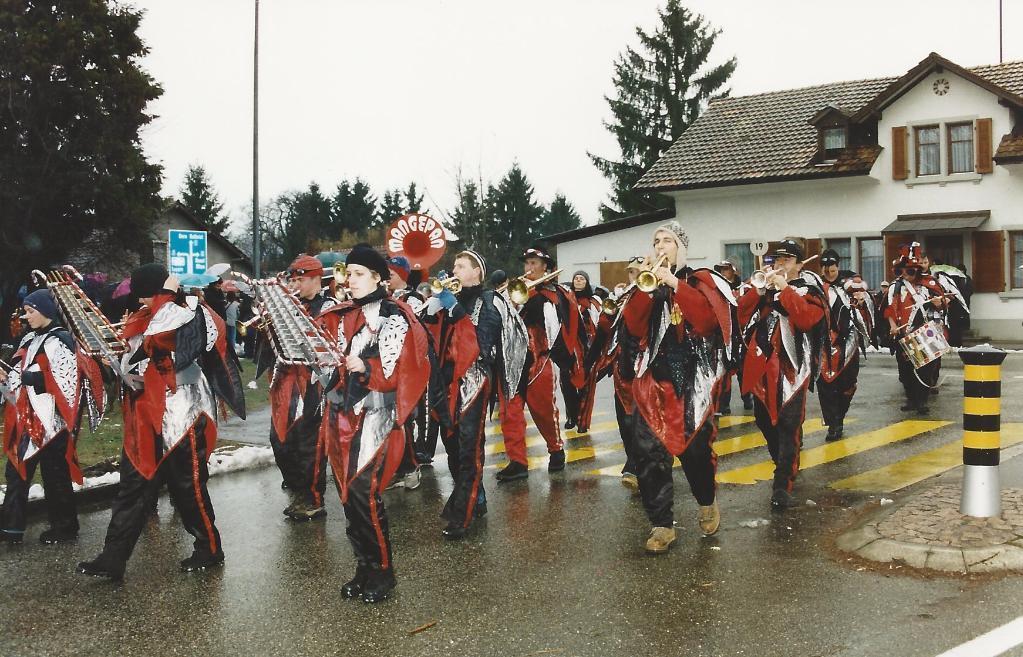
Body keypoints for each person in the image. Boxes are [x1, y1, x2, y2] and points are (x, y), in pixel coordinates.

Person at [77, 264, 245, 580]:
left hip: (183, 410)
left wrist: (165, 305)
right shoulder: (141, 317)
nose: (139, 301)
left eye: (144, 295)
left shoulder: (190, 312)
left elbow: (179, 347)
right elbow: (134, 359)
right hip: (145, 411)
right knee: (133, 485)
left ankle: (209, 548)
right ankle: (113, 558)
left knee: (187, 486)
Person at [618, 222, 739, 553]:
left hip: (691, 382)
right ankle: (662, 525)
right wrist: (647, 288)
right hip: (652, 381)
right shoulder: (647, 284)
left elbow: (707, 321)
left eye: (667, 241)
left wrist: (673, 283)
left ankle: (706, 499)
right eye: (656, 241)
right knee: (648, 455)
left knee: (695, 452)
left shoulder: (699, 281)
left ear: (680, 248)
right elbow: (633, 326)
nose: (660, 246)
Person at [317, 245, 429, 603]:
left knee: (364, 494)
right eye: (348, 273)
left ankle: (383, 570)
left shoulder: (394, 315)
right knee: (348, 496)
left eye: (359, 274)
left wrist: (366, 367)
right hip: (342, 414)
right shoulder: (341, 313)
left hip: (376, 416)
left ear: (378, 277)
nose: (350, 280)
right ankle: (364, 567)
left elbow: (400, 369)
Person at [421, 250, 526, 539]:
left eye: (461, 266)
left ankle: (462, 516)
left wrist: (455, 310)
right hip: (446, 382)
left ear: (477, 272)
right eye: (454, 265)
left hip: (474, 381)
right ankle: (475, 498)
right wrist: (431, 309)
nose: (454, 270)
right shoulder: (448, 298)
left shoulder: (490, 301)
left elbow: (481, 344)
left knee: (469, 449)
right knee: (452, 447)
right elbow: (427, 338)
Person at [0, 290, 97, 544]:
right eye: (25, 311)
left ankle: (65, 528)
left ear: (45, 311)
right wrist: (7, 376)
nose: (26, 316)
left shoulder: (61, 340)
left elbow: (68, 381)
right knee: (16, 470)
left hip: (52, 420)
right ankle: (11, 528)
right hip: (26, 415)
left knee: (55, 474)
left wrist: (32, 378)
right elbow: (18, 372)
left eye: (31, 311)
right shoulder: (28, 338)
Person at [739, 239, 826, 509]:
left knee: (789, 424)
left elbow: (805, 319)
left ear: (799, 265)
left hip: (792, 368)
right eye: (777, 260)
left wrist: (785, 289)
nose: (780, 264)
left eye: (787, 260)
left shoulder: (809, 290)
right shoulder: (764, 290)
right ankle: (783, 463)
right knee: (764, 420)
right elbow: (739, 314)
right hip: (762, 366)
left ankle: (782, 484)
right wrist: (758, 290)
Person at [495, 245, 585, 481]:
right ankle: (517, 462)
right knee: (510, 413)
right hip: (512, 361)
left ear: (546, 267)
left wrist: (530, 297)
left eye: (534, 263)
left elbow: (554, 327)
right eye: (527, 263)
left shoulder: (553, 294)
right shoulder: (515, 291)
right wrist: (509, 301)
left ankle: (556, 449)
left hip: (539, 360)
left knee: (544, 411)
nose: (529, 267)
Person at [256, 255, 331, 520]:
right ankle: (299, 487)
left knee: (308, 442)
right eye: (293, 280)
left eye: (301, 280)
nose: (295, 285)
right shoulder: (288, 305)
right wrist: (267, 326)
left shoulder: (329, 307)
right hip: (286, 380)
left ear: (316, 279)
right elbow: (272, 347)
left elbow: (327, 346)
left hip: (313, 382)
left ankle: (313, 498)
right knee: (279, 440)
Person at [816, 250, 872, 441]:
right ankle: (833, 424)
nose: (828, 272)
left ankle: (840, 416)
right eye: (825, 268)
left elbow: (864, 306)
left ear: (838, 266)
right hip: (823, 342)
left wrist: (861, 301)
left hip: (848, 342)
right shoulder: (816, 286)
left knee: (847, 384)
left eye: (832, 268)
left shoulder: (850, 282)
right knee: (825, 385)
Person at [884, 244, 945, 414]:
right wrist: (893, 326)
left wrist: (938, 304)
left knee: (924, 370)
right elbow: (889, 309)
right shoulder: (896, 287)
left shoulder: (928, 284)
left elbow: (942, 305)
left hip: (923, 333)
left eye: (910, 271)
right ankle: (910, 398)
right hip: (903, 334)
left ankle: (922, 401)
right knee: (905, 371)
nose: (906, 274)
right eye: (903, 270)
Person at [713, 259, 754, 414]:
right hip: (724, 337)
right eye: (721, 269)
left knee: (744, 371)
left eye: (726, 269)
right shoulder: (716, 289)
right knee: (724, 371)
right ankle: (724, 404)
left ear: (735, 271)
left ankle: (747, 397)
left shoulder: (746, 288)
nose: (723, 272)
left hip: (743, 336)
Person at [563, 270, 599, 434]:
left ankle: (582, 419)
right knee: (566, 382)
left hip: (587, 348)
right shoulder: (566, 299)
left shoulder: (592, 303)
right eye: (576, 278)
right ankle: (571, 416)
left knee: (585, 384)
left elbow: (597, 324)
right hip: (568, 347)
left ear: (586, 282)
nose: (578, 281)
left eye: (582, 278)